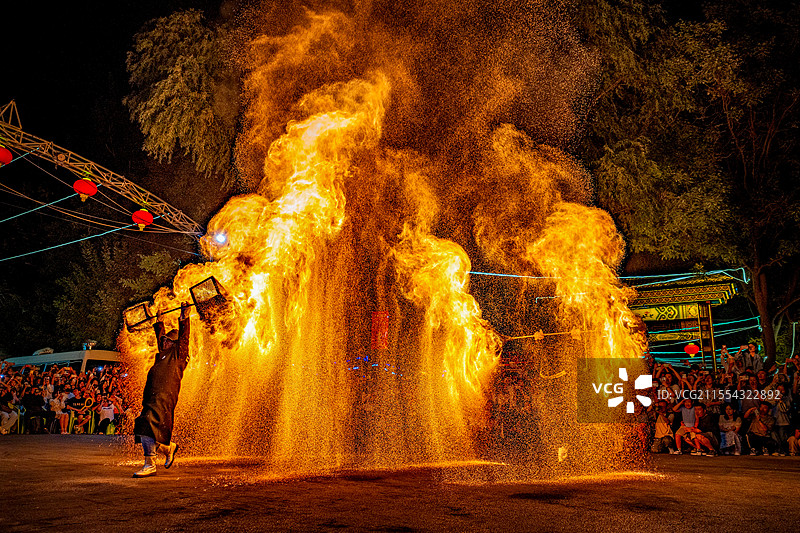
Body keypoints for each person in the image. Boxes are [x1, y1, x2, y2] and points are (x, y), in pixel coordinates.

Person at [132, 302, 191, 478]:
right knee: (145, 426)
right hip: (152, 396)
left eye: (168, 340)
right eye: (164, 339)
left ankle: (150, 464)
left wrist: (184, 317)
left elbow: (185, 338)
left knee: (148, 422)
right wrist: (159, 321)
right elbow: (159, 337)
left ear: (174, 344)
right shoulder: (162, 354)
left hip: (165, 396)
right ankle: (168, 448)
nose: (164, 341)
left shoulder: (179, 355)